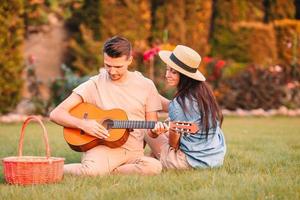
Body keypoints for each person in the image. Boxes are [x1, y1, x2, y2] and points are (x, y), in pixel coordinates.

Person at [50, 36, 163, 176]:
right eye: (107, 65)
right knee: (91, 173)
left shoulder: (146, 85)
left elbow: (150, 128)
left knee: (154, 167)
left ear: (130, 60)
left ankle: (110, 171)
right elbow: (56, 114)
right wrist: (83, 124)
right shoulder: (94, 84)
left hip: (134, 151)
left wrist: (155, 131)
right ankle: (50, 169)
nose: (112, 71)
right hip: (103, 148)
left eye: (118, 66)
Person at [145, 45, 226, 169]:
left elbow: (174, 145)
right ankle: (150, 160)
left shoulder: (179, 104)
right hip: (214, 159)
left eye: (173, 72)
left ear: (185, 75)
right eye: (167, 69)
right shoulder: (204, 94)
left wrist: (158, 133)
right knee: (165, 129)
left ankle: (138, 159)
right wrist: (148, 93)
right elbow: (171, 107)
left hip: (189, 163)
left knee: (145, 129)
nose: (167, 75)